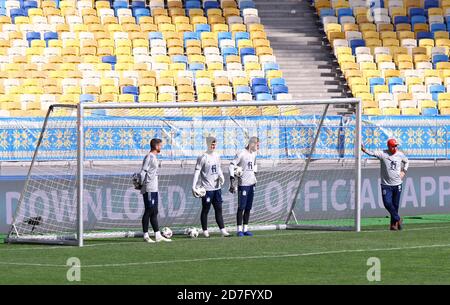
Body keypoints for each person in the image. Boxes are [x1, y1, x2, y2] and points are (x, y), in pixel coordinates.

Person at [361, 138, 409, 230]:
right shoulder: (383, 154)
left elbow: (407, 161)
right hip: (386, 185)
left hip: (397, 184)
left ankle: (393, 225)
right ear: (389, 146)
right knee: (387, 203)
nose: (395, 148)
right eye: (393, 146)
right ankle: (398, 219)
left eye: (396, 146)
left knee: (395, 205)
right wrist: (364, 150)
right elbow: (372, 153)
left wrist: (404, 171)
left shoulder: (400, 154)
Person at [192, 136, 230, 238]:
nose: (213, 146)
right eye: (211, 144)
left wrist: (221, 177)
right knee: (206, 209)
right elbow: (197, 172)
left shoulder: (217, 156)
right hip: (207, 189)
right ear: (207, 144)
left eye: (214, 144)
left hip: (217, 188)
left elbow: (218, 169)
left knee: (219, 209)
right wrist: (193, 186)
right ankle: (205, 230)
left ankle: (223, 230)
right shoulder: (203, 157)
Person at [140, 138, 171, 243]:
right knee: (149, 211)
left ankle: (157, 235)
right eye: (160, 145)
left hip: (154, 188)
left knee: (154, 211)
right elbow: (143, 172)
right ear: (156, 146)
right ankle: (146, 235)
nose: (161, 147)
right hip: (148, 187)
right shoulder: (149, 157)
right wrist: (140, 184)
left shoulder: (154, 157)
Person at [229, 136, 259, 237]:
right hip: (243, 185)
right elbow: (231, 165)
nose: (258, 147)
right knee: (241, 207)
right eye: (257, 144)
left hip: (251, 184)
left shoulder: (254, 154)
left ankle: (245, 229)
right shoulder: (241, 153)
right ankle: (239, 230)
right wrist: (232, 178)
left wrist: (255, 176)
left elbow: (254, 165)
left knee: (248, 207)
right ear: (252, 144)